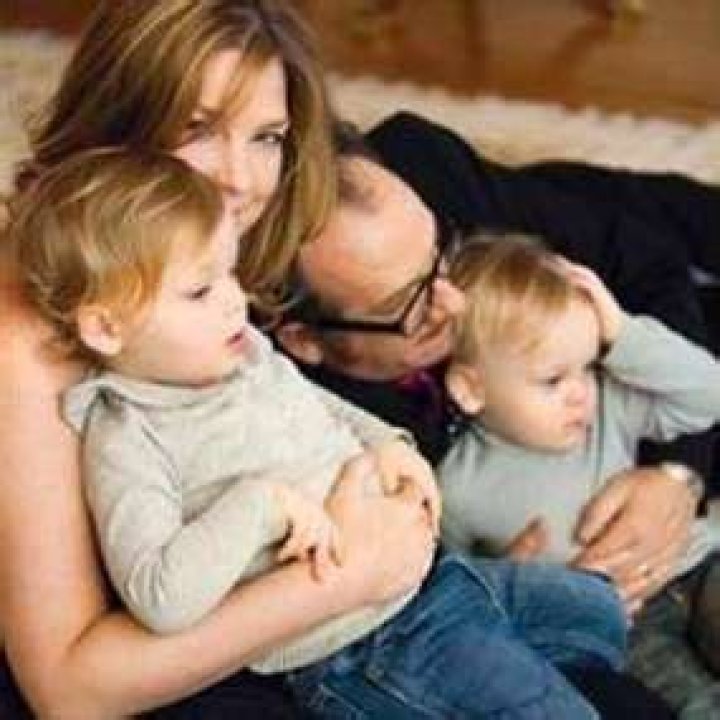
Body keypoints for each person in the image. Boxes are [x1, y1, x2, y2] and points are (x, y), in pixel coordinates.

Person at [12, 148, 630, 719]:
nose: (234, 301)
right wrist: (262, 507)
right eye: (200, 291)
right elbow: (158, 595)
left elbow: (321, 407)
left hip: (428, 581)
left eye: (229, 274)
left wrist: (388, 443)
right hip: (361, 645)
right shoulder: (126, 439)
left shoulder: (242, 352)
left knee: (602, 613)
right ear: (106, 328)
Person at [0, 1, 438, 717]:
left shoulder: (201, 239)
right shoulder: (22, 337)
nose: (241, 180)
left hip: (240, 601)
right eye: (198, 128)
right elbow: (68, 691)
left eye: (267, 137)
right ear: (117, 122)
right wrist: (347, 576)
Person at [437, 232, 720, 717]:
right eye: (553, 379)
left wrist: (622, 334)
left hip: (696, 563)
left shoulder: (611, 405)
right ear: (470, 389)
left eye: (588, 366)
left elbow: (709, 393)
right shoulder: (456, 490)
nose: (581, 393)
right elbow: (458, 602)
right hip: (622, 629)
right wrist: (523, 589)